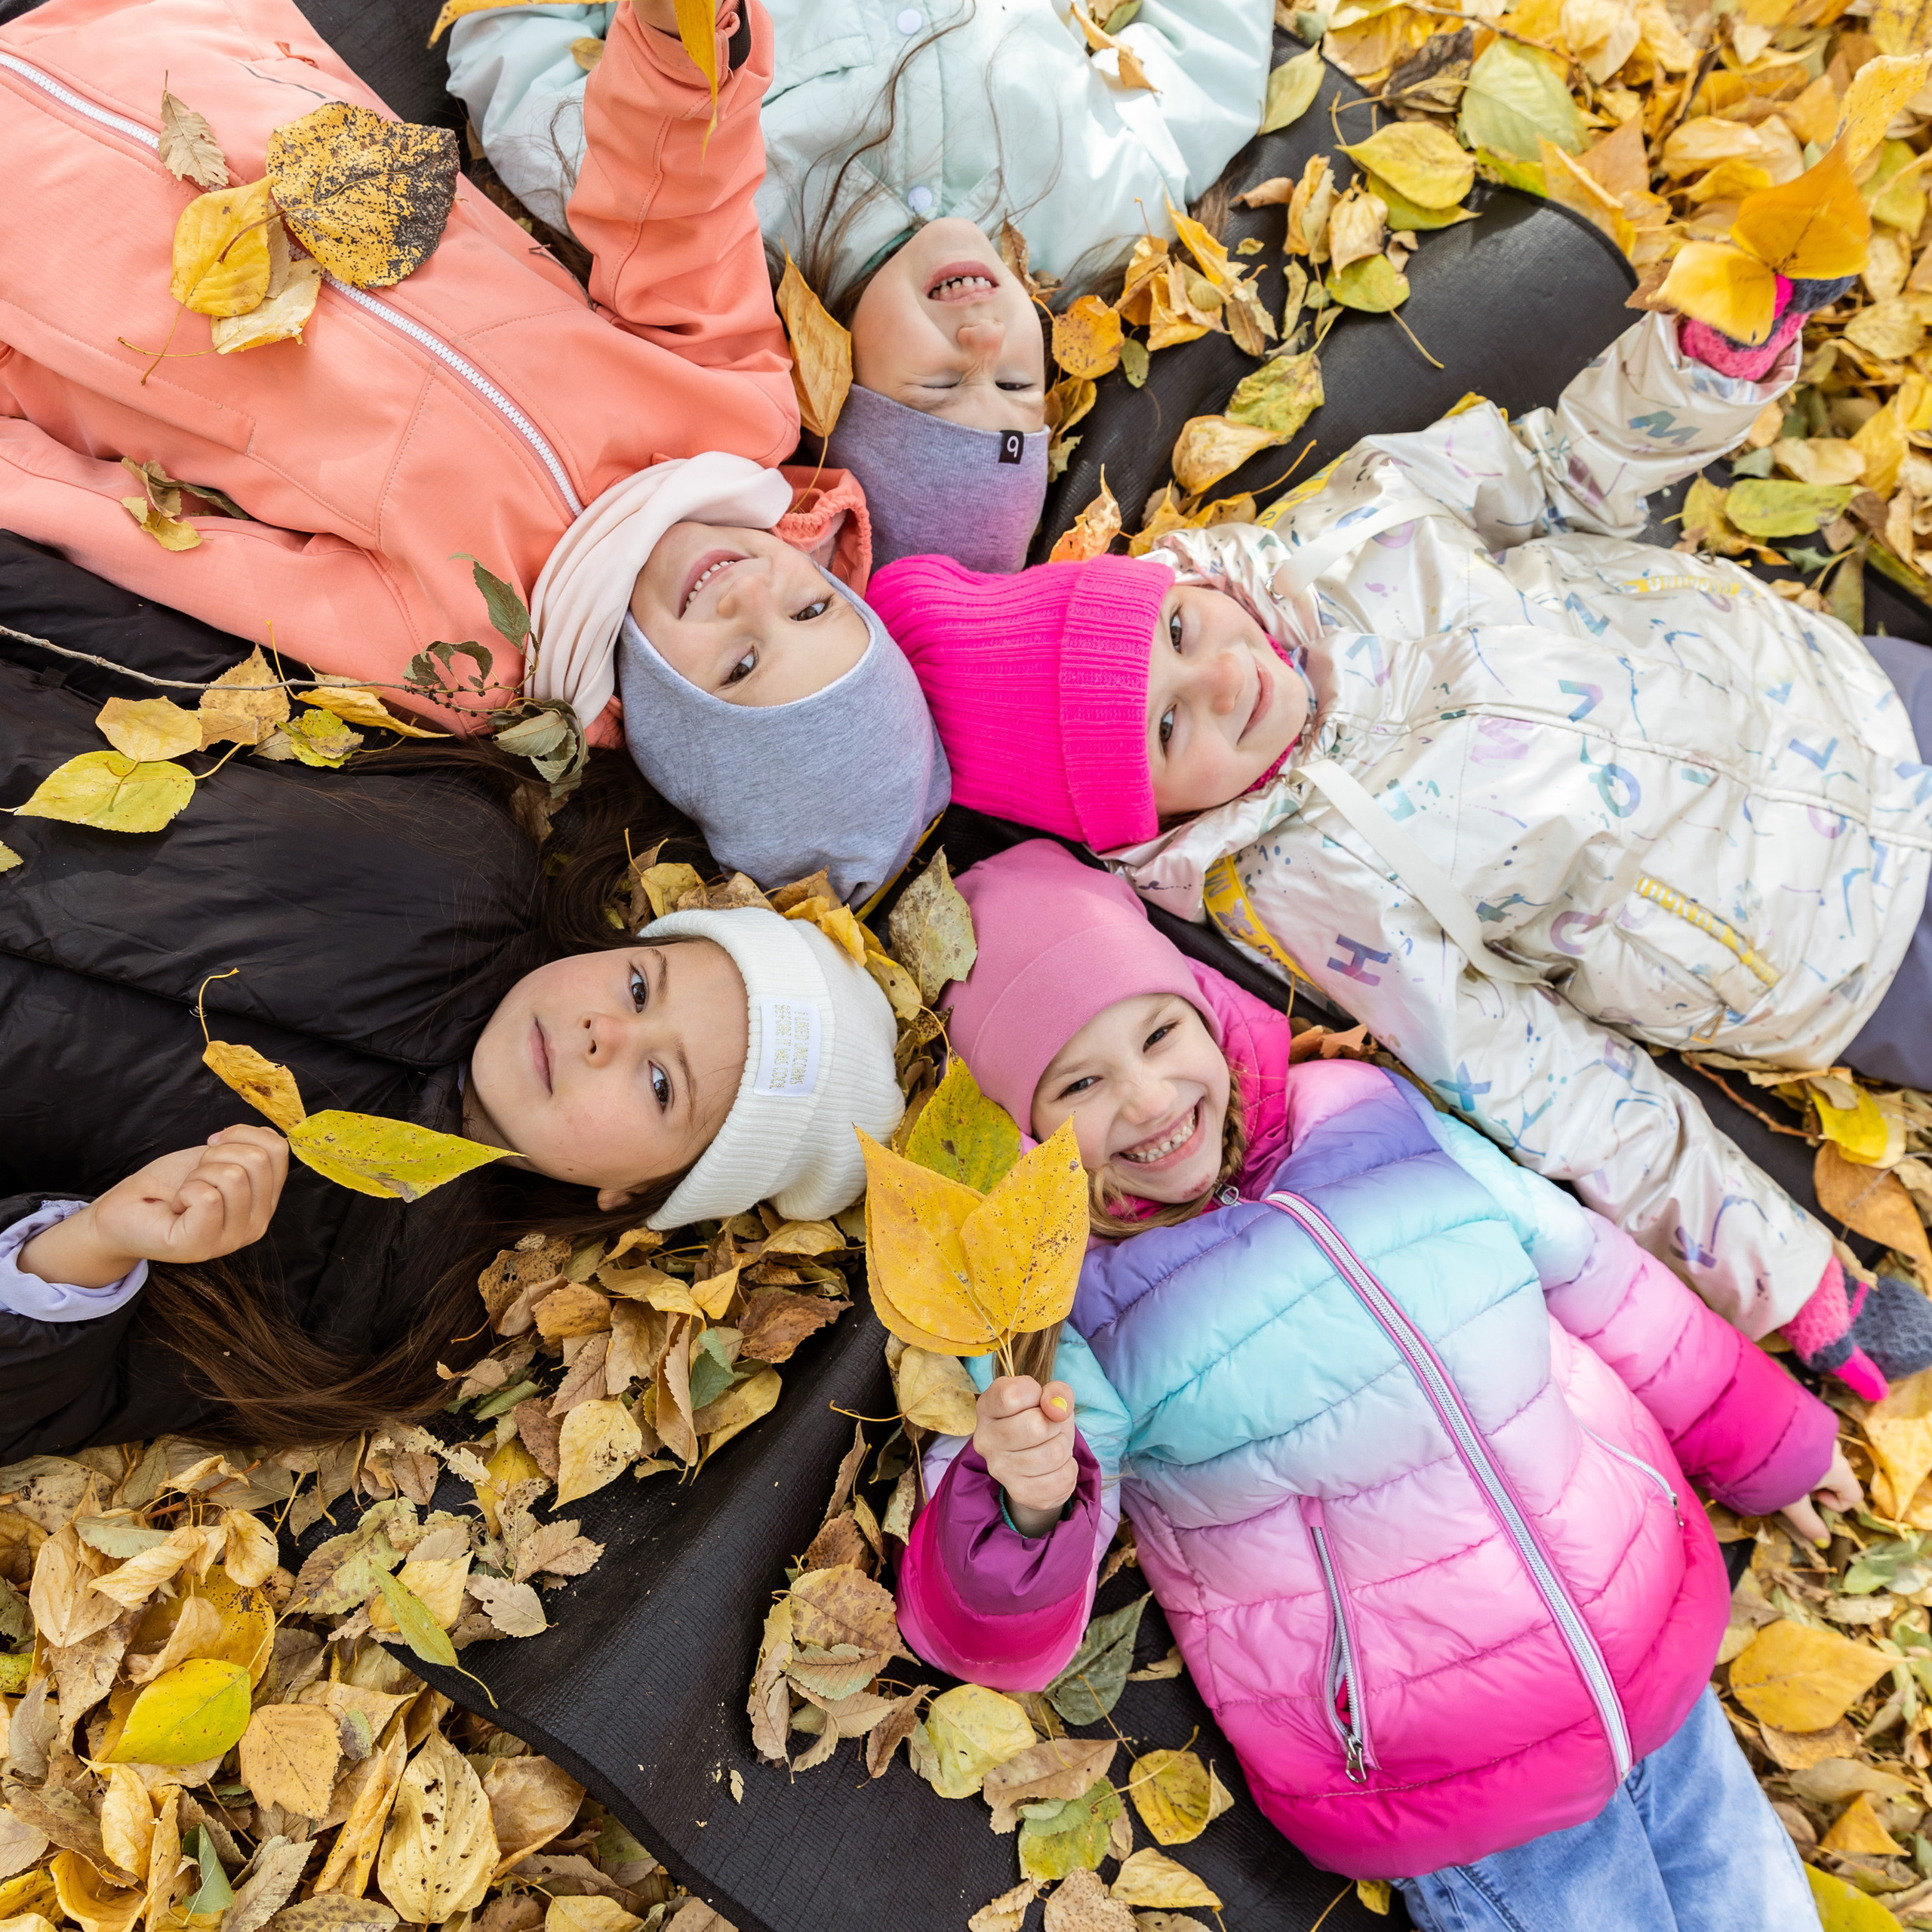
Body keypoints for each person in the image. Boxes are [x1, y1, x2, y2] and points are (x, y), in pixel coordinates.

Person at [869, 288, 1932, 1380]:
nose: (1225, 676)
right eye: (1168, 728)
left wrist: (1700, 371)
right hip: (1847, 954)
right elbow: (1549, 1082)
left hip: (1861, 702)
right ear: (1159, 821)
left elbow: (1563, 469)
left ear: (1177, 584)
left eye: (1178, 632)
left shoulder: (1352, 525)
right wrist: (1789, 1281)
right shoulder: (1313, 892)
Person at [895, 838, 1851, 1930]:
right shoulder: (1062, 1310)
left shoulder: (1357, 1112)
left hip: (1651, 1632)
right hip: (1450, 1767)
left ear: (1205, 1010)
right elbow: (985, 1622)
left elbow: (1586, 1268)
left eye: (1159, 1033)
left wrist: (1771, 1446)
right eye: (1080, 1083)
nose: (1153, 1096)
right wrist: (1020, 1500)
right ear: (1022, 1134)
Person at [0, 0, 946, 900]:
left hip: (58, 259)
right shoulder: (734, 416)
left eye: (738, 666)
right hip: (193, 62)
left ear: (667, 727)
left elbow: (177, 545)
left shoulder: (471, 661)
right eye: (810, 606)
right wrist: (683, 46)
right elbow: (678, 215)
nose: (750, 597)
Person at [0, 542, 904, 1456]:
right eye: (639, 986)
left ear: (628, 1193)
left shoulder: (363, 1293)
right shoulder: (465, 846)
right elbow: (179, 676)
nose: (605, 1033)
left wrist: (81, 1253)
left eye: (661, 1084)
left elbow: (42, 1403)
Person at [446, 0, 1273, 572]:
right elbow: (1212, 68)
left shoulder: (703, 219)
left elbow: (513, 62)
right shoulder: (1106, 210)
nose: (984, 339)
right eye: (1018, 380)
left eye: (942, 382)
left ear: (837, 387)